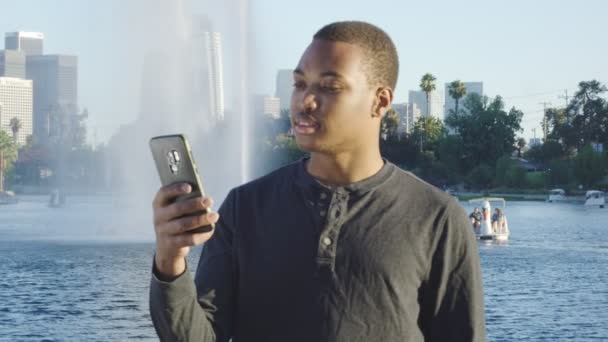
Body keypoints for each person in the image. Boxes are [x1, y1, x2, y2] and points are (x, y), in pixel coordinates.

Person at [149, 21, 486, 341]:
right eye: (299, 84)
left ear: (380, 101)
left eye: (329, 87)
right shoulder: (245, 208)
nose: (303, 101)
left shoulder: (437, 218)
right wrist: (170, 261)